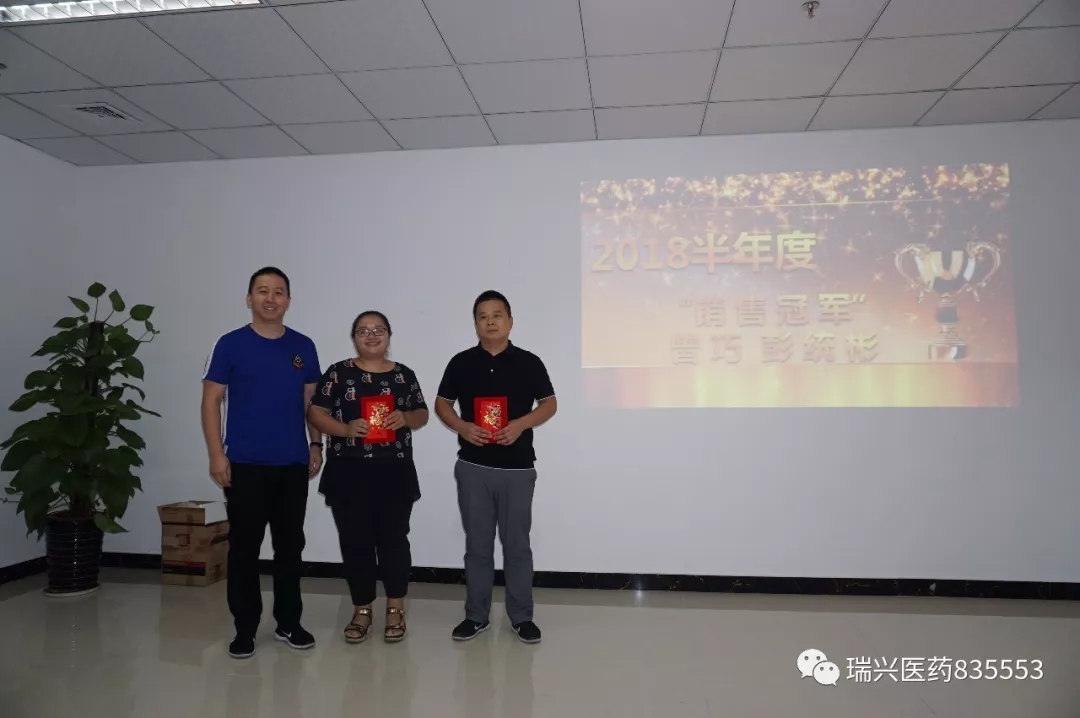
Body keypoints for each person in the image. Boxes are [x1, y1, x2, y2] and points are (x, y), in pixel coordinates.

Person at [200, 267, 323, 659]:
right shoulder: (230, 344)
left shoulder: (303, 346)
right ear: (249, 298)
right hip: (244, 464)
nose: (271, 298)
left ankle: (289, 622)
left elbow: (311, 403)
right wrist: (216, 454)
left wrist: (316, 444)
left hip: (292, 463)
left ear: (288, 300)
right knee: (244, 549)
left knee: (290, 547)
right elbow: (211, 400)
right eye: (263, 291)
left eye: (279, 292)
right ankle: (245, 627)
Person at [434, 290, 557, 644]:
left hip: (518, 469)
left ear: (510, 321)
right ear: (475, 323)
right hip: (473, 467)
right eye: (483, 316)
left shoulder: (529, 362)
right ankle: (476, 616)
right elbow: (442, 404)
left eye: (497, 315)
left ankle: (522, 617)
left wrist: (520, 424)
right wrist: (461, 426)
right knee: (478, 546)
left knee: (517, 546)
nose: (490, 322)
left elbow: (549, 404)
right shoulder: (461, 362)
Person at [306, 311, 428, 644]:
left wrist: (405, 418)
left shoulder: (404, 375)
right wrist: (344, 429)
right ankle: (362, 609)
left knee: (394, 541)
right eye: (363, 330)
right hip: (349, 471)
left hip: (394, 471)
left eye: (378, 330)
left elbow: (422, 414)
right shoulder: (338, 373)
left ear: (389, 335)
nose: (371, 336)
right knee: (355, 543)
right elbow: (315, 412)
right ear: (353, 337)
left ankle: (395, 608)